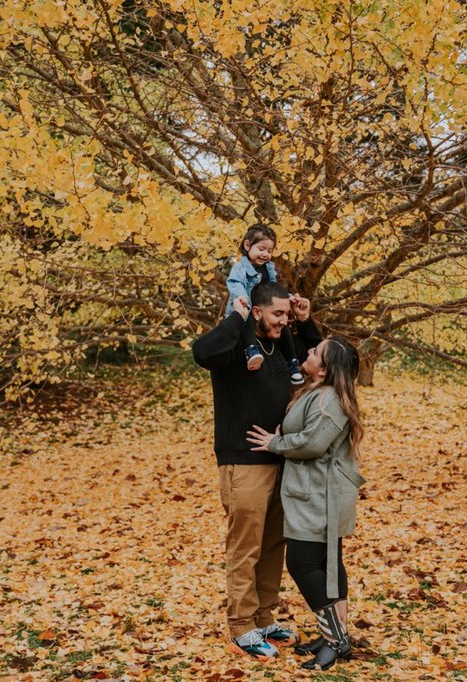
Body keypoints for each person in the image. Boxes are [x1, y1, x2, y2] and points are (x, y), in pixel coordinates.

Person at [192, 281, 321, 661]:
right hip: (243, 462)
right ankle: (241, 627)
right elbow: (201, 351)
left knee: (272, 546)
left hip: (280, 460)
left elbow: (317, 363)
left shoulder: (280, 347)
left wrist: (305, 319)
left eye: (286, 314)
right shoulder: (235, 348)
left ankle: (264, 618)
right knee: (245, 547)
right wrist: (237, 315)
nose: (284, 321)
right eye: (277, 314)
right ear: (259, 311)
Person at [245, 337, 365, 671]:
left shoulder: (329, 399)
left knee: (303, 564)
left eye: (314, 353)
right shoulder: (322, 392)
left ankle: (336, 640)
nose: (307, 352)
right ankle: (334, 635)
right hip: (315, 492)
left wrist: (276, 442)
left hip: (319, 496)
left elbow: (313, 442)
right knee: (327, 565)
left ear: (325, 369)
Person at [225, 224, 304, 384]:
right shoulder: (240, 268)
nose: (265, 254)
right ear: (247, 246)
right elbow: (234, 283)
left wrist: (287, 297)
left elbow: (273, 289)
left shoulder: (268, 269)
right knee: (246, 318)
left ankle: (292, 363)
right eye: (261, 249)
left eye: (269, 251)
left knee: (285, 328)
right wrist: (242, 297)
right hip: (245, 308)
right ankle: (251, 350)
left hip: (262, 311)